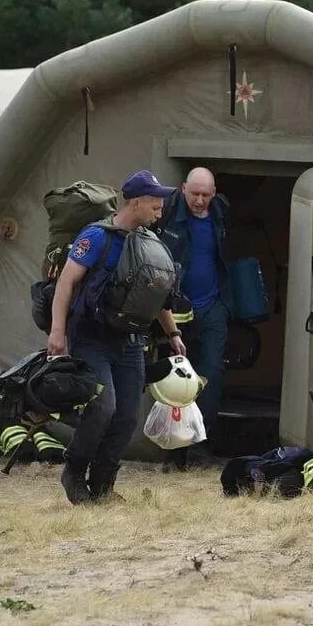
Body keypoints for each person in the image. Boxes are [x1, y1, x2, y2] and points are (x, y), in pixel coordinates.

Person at [48, 170, 188, 504]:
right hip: (91, 336)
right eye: (154, 206)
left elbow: (154, 296)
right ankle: (74, 470)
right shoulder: (97, 237)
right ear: (136, 203)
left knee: (126, 415)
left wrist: (173, 333)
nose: (159, 212)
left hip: (129, 341)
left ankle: (103, 485)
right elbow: (66, 283)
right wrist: (56, 332)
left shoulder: (149, 243)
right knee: (103, 406)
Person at [157, 167, 231, 466]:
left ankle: (200, 442)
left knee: (210, 373)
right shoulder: (166, 211)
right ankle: (173, 448)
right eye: (195, 194)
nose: (200, 200)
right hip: (175, 308)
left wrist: (225, 304)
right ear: (183, 188)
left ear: (214, 194)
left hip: (212, 306)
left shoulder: (221, 212)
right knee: (174, 376)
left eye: (206, 195)